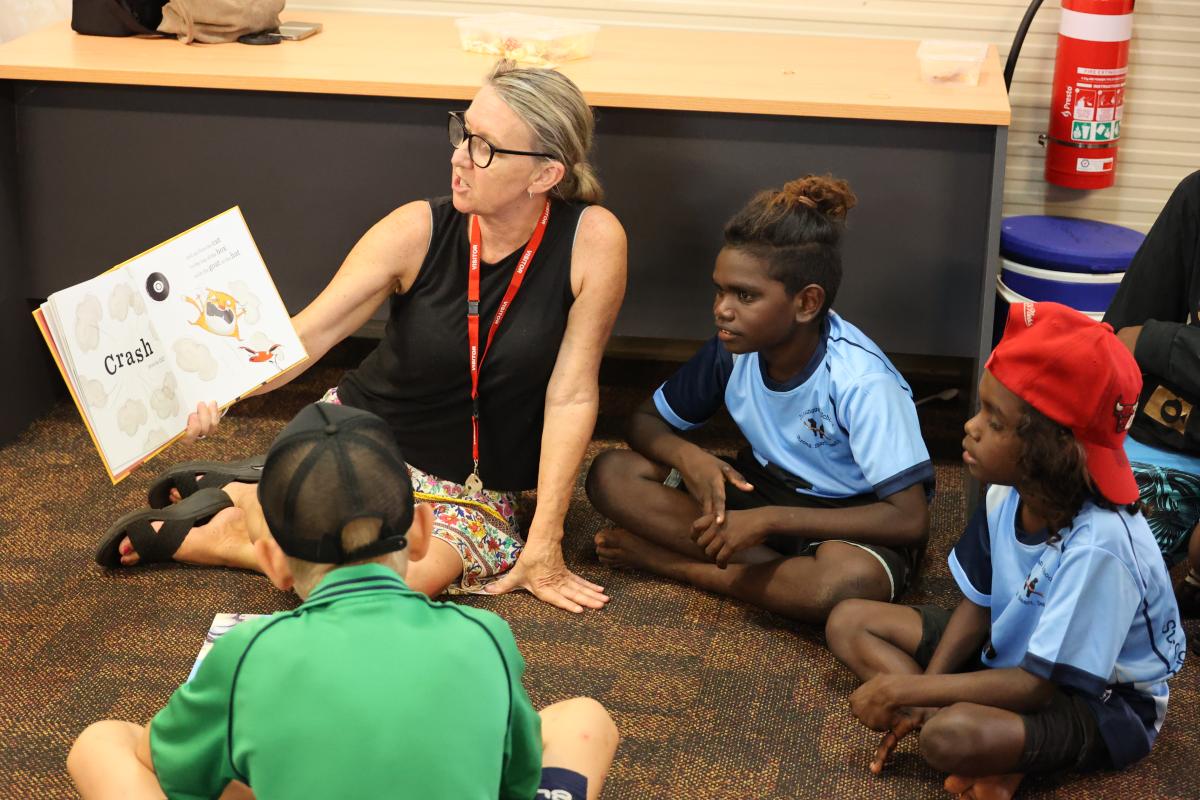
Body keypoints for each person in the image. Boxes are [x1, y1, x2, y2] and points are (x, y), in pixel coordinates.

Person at [98, 60, 627, 614]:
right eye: (462, 132)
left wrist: (545, 541)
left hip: (474, 491)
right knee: (350, 569)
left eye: (484, 148)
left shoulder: (593, 242)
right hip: (366, 443)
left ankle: (243, 518)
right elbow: (305, 336)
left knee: (389, 590)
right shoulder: (415, 228)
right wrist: (214, 392)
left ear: (544, 175)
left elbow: (572, 395)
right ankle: (246, 508)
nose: (458, 156)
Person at [69, 402, 620, 800]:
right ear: (422, 531)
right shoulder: (487, 638)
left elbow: (170, 769)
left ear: (272, 561)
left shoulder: (245, 655)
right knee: (585, 719)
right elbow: (513, 779)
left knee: (100, 743)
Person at [825, 302, 1186, 800]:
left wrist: (904, 689)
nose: (970, 427)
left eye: (994, 421)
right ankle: (982, 733)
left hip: (1098, 699)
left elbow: (1036, 686)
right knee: (848, 621)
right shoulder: (1007, 491)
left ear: (1049, 447)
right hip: (1015, 651)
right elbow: (978, 606)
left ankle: (995, 742)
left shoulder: (1100, 544)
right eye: (981, 409)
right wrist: (929, 688)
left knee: (947, 738)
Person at [585, 175, 933, 623]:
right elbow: (645, 421)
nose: (722, 309)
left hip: (851, 520)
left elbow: (909, 519)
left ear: (806, 303)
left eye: (745, 295)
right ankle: (777, 577)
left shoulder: (862, 382)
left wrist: (770, 521)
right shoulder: (734, 349)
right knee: (612, 474)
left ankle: (674, 564)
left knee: (839, 585)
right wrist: (691, 459)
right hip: (761, 491)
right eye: (720, 290)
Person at [1104, 169, 1200, 616]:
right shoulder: (1196, 195)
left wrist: (1157, 341)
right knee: (1094, 551)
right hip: (1173, 435)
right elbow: (1120, 334)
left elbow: (1139, 336)